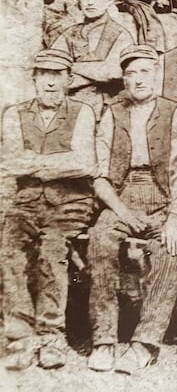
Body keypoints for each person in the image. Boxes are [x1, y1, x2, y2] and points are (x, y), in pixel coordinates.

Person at [86, 44, 177, 374]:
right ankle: (104, 340)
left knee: (171, 249)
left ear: (157, 75)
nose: (138, 80)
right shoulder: (112, 112)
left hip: (164, 197)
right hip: (122, 195)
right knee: (100, 240)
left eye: (145, 71)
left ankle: (144, 343)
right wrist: (119, 210)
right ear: (123, 79)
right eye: (130, 73)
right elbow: (99, 174)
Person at [0, 49, 96, 370]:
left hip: (71, 203)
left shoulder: (82, 112)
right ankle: (19, 334)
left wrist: (36, 164)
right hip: (27, 201)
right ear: (34, 79)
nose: (51, 84)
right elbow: (11, 162)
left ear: (69, 80)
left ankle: (51, 333)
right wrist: (58, 163)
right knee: (10, 247)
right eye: (44, 75)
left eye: (58, 76)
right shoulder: (14, 113)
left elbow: (84, 163)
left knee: (53, 249)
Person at [51, 0, 135, 120]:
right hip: (69, 107)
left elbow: (113, 72)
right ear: (78, 0)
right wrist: (96, 71)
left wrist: (72, 66)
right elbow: (53, 68)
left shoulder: (120, 34)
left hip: (109, 109)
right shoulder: (70, 33)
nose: (90, 2)